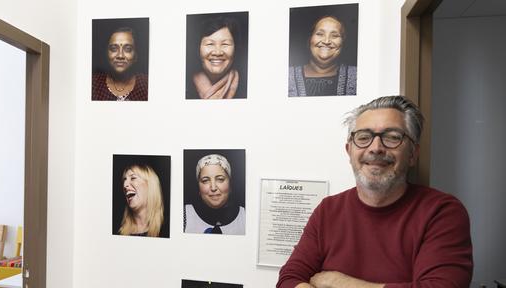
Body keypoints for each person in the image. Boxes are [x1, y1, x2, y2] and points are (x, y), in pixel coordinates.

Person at [277, 96, 473, 287]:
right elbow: (290, 278)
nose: (376, 148)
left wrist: (341, 283)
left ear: (412, 154)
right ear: (349, 151)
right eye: (363, 137)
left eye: (392, 137)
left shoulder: (442, 212)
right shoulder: (328, 210)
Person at [289, 15, 356, 97]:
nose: (326, 41)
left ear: (343, 42)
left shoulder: (357, 75)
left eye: (334, 35)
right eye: (320, 34)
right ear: (310, 39)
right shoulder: (287, 75)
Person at [187, 16, 246, 99]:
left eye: (225, 44)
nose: (217, 52)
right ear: (198, 48)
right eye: (210, 44)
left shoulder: (247, 86)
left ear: (236, 48)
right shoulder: (184, 86)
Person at [184, 154, 245, 234]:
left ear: (230, 183)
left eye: (220, 179)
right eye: (205, 180)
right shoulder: (184, 215)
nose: (213, 188)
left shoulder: (245, 216)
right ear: (198, 186)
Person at [92, 27, 148, 101]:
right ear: (106, 54)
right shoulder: (93, 84)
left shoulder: (147, 84)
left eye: (128, 49)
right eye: (113, 49)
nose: (120, 56)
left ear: (136, 55)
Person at [119, 164, 164, 237]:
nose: (125, 185)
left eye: (133, 178)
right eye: (124, 180)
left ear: (150, 185)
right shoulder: (119, 232)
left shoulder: (167, 228)